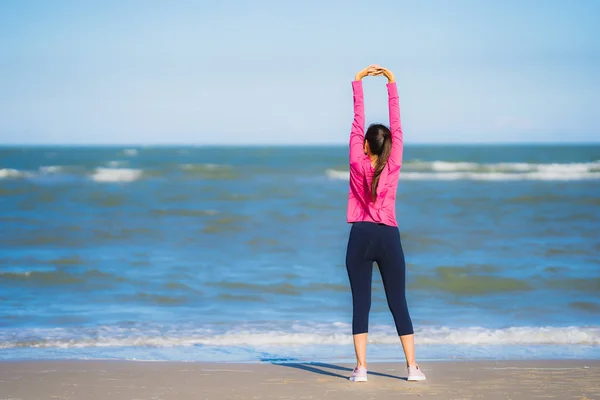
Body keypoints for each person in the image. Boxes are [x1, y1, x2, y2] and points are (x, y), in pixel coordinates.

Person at [345, 64, 426, 382]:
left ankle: (361, 369)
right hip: (389, 237)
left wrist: (358, 82)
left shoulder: (356, 159)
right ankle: (412, 368)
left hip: (360, 236)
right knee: (399, 303)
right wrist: (392, 82)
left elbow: (356, 123)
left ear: (365, 145)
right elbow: (398, 126)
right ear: (390, 145)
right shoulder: (394, 162)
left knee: (361, 305)